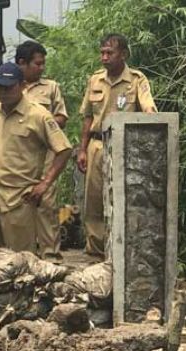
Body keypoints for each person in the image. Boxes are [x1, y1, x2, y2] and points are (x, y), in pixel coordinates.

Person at [0, 63, 72, 253]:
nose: (4, 92)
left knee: (21, 259)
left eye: (9, 87)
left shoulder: (38, 115)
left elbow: (64, 150)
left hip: (18, 198)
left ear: (22, 86)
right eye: (0, 87)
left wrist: (44, 184)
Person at [78, 33, 157, 257]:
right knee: (93, 203)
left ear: (123, 54)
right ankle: (95, 256)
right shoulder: (95, 80)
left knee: (122, 200)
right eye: (102, 52)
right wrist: (82, 149)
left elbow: (148, 107)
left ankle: (122, 255)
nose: (104, 57)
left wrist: (153, 122)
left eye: (109, 53)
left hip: (125, 148)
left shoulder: (136, 80)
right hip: (96, 146)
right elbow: (87, 117)